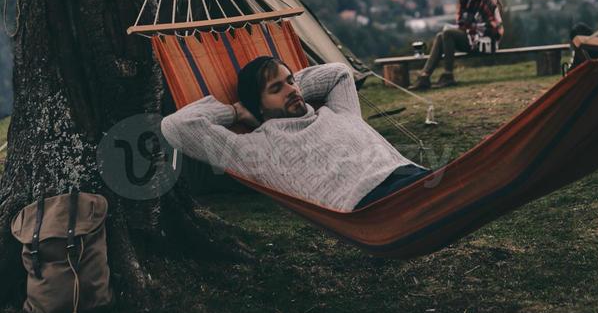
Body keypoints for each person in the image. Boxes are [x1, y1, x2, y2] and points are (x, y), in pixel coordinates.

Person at [160, 58, 433, 211]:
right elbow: (176, 126)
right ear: (258, 104)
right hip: (372, 208)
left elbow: (338, 73)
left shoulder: (338, 110)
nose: (291, 90)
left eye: (291, 81)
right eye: (276, 89)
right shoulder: (256, 150)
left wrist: (291, 83)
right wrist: (233, 112)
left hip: (415, 179)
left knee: (459, 183)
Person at [410, 0, 504, 91]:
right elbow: (462, 20)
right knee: (440, 35)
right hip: (472, 37)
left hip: (486, 41)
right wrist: (467, 27)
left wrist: (472, 28)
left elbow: (494, 26)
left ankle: (448, 75)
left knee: (448, 33)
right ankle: (424, 77)